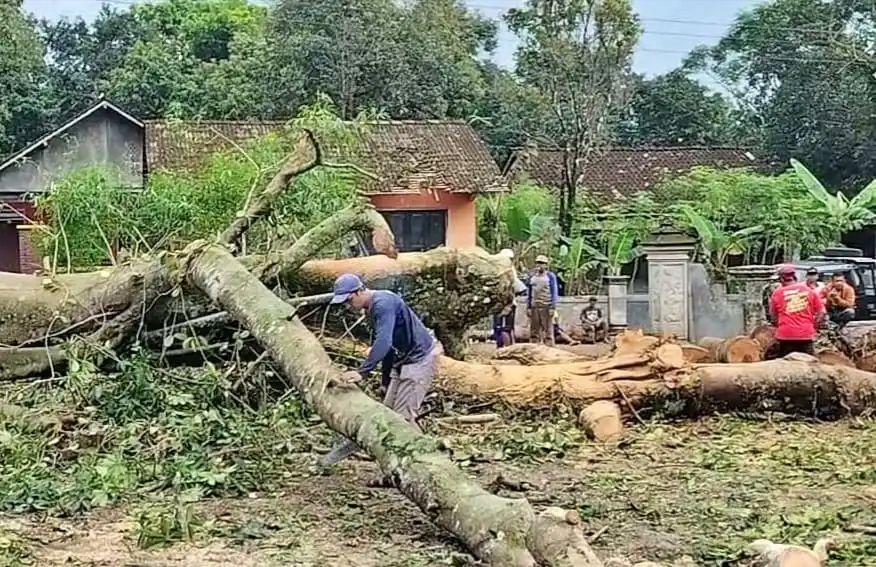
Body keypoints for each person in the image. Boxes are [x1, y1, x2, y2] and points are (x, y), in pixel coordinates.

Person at [319, 274, 441, 480]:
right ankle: (408, 465)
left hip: (418, 360)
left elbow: (384, 342)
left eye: (349, 300)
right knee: (387, 415)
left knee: (402, 420)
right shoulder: (371, 308)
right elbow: (390, 346)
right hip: (402, 360)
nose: (349, 306)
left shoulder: (383, 303)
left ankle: (429, 468)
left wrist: (362, 372)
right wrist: (385, 381)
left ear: (359, 291)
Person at [768, 265, 825, 358]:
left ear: (781, 279)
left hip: (785, 335)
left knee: (785, 363)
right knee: (809, 363)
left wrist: (779, 324)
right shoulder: (809, 291)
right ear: (795, 277)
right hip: (806, 334)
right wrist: (813, 325)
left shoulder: (777, 293)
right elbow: (822, 312)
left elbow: (773, 316)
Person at [527, 254, 558, 345]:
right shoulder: (532, 276)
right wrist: (528, 306)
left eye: (541, 263)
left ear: (546, 265)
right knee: (534, 330)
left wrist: (553, 307)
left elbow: (554, 291)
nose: (539, 265)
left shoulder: (550, 276)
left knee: (548, 330)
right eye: (538, 263)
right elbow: (530, 292)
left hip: (546, 306)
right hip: (534, 306)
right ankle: (533, 346)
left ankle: (549, 347)